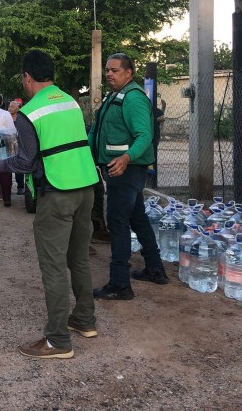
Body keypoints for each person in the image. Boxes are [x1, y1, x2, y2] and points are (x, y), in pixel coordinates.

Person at [0, 50, 98, 359]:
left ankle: (57, 341)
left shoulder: (30, 112)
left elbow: (26, 162)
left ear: (27, 77)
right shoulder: (70, 101)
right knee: (79, 260)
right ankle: (84, 320)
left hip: (56, 192)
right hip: (87, 189)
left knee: (53, 267)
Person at [88, 53, 168, 301]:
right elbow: (99, 131)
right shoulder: (116, 96)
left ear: (129, 73)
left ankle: (120, 283)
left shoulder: (133, 99)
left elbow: (144, 135)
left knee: (118, 222)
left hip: (124, 169)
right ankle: (155, 269)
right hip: (119, 168)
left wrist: (126, 158)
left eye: (115, 70)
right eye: (107, 70)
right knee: (138, 218)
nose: (109, 74)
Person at [7, 99, 26, 195]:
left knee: (19, 167)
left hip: (19, 147)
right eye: (9, 106)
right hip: (8, 146)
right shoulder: (5, 118)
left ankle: (20, 187)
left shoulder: (21, 119)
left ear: (19, 108)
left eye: (12, 107)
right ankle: (7, 187)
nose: (10, 108)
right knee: (8, 166)